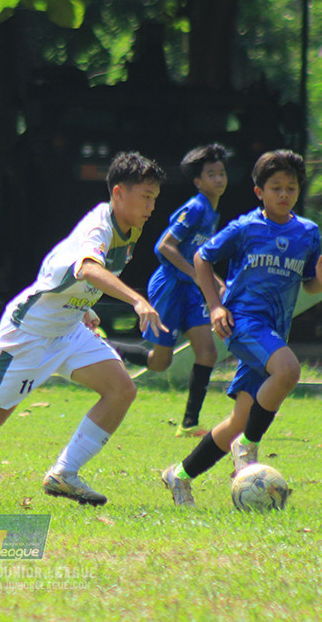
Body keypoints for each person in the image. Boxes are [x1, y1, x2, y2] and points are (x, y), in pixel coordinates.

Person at [0, 151, 168, 506]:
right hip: (29, 334)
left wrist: (83, 306)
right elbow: (85, 268)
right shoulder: (98, 226)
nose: (151, 206)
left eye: (155, 198)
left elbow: (60, 270)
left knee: (121, 390)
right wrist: (138, 301)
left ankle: (64, 473)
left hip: (68, 329)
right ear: (118, 193)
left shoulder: (131, 228)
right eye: (146, 197)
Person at [159, 149, 322, 507]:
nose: (284, 194)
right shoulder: (246, 227)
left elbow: (308, 283)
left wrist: (321, 280)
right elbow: (202, 257)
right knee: (288, 370)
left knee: (238, 419)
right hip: (241, 322)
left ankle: (178, 475)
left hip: (272, 332)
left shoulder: (308, 232)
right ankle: (248, 445)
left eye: (291, 187)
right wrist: (214, 306)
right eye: (275, 187)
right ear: (259, 191)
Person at [110, 143, 230, 437]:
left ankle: (189, 424)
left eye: (222, 173)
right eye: (211, 174)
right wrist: (198, 276)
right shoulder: (196, 207)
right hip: (169, 285)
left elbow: (196, 253)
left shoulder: (212, 212)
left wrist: (214, 281)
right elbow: (164, 246)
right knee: (159, 362)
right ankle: (110, 347)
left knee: (208, 351)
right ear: (198, 182)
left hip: (190, 289)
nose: (219, 179)